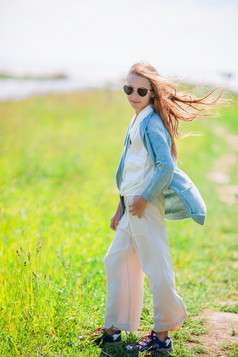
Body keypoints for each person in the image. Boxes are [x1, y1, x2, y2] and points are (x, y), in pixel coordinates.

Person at [91, 60, 228, 354]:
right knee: (115, 261)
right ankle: (114, 329)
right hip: (132, 206)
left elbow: (165, 167)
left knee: (157, 268)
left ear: (153, 92)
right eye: (129, 88)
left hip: (145, 206)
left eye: (142, 90)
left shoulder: (152, 122)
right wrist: (122, 206)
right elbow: (131, 168)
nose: (134, 95)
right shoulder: (137, 118)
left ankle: (162, 335)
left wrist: (143, 199)